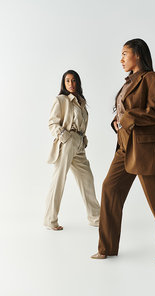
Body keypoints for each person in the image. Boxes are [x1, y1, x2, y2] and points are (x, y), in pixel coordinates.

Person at [91, 39, 155, 263]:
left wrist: (127, 119)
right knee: (110, 188)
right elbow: (124, 111)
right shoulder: (127, 83)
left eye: (125, 54)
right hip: (124, 146)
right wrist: (116, 121)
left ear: (138, 54)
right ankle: (107, 248)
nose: (121, 59)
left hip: (146, 149)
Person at [44, 70, 100, 230]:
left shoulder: (81, 102)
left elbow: (82, 125)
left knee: (87, 179)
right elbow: (52, 123)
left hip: (79, 144)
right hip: (67, 143)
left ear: (78, 83)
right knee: (59, 180)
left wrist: (83, 139)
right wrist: (64, 137)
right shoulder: (61, 100)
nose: (70, 84)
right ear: (63, 83)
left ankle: (95, 218)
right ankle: (50, 220)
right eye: (67, 81)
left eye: (73, 80)